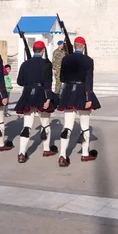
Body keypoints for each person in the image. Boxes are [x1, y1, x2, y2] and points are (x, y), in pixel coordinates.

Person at [57, 36, 101, 167]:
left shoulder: (66, 59)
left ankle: (62, 155)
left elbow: (62, 78)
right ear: (84, 47)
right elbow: (89, 80)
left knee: (67, 126)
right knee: (85, 125)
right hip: (82, 91)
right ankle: (85, 153)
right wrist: (88, 97)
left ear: (75, 46)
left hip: (69, 92)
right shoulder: (88, 60)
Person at [15, 41, 57, 163]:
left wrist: (29, 83)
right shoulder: (46, 64)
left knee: (27, 125)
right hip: (41, 92)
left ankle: (21, 153)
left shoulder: (25, 64)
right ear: (43, 50)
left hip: (28, 93)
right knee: (45, 123)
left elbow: (19, 81)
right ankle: (46, 149)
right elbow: (48, 83)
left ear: (33, 50)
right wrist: (48, 98)